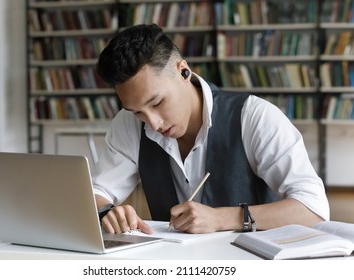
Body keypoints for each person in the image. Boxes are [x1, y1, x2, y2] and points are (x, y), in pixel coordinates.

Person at [92, 24, 329, 235]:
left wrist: (221, 218)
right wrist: (107, 212)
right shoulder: (128, 124)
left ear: (183, 71)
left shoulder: (254, 117)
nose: (153, 123)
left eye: (157, 103)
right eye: (137, 111)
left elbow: (313, 209)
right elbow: (95, 193)